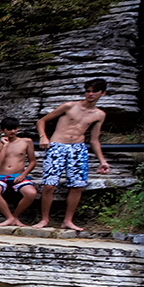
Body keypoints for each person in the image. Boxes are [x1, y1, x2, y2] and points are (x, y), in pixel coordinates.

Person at [35, 79, 110, 231]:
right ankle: (44, 219)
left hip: (78, 148)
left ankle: (68, 221)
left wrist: (102, 160)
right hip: (57, 146)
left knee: (77, 186)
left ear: (103, 93)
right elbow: (41, 121)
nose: (90, 94)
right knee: (49, 184)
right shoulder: (69, 106)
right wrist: (43, 136)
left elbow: (94, 140)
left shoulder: (99, 114)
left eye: (94, 91)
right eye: (88, 91)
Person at [0, 117, 39, 227]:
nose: (12, 131)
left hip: (19, 175)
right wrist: (5, 146)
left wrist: (24, 175)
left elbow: (33, 161)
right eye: (9, 129)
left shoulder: (26, 142)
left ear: (18, 128)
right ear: (2, 131)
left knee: (31, 193)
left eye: (15, 129)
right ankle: (9, 217)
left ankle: (15, 217)